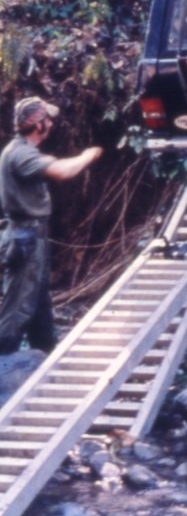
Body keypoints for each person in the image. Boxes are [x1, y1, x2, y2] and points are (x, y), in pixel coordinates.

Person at [0, 97, 103, 355]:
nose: (52, 123)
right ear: (38, 124)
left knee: (38, 299)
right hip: (26, 237)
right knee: (19, 304)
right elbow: (62, 171)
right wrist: (87, 156)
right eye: (48, 119)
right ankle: (3, 360)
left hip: (33, 236)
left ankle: (44, 352)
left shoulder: (23, 150)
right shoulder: (20, 154)